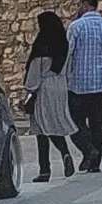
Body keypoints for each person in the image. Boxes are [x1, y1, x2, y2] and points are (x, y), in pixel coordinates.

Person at [65, 0, 102, 173]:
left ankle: (89, 150)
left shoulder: (76, 27)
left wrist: (64, 77)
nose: (77, 9)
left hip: (79, 83)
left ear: (87, 5)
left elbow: (68, 54)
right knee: (97, 123)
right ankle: (95, 160)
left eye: (79, 5)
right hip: (101, 83)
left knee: (73, 121)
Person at [22, 11, 76, 183]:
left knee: (41, 128)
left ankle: (45, 169)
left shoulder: (42, 46)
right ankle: (65, 152)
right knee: (53, 123)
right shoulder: (63, 44)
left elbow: (34, 76)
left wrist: (28, 92)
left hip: (44, 87)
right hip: (60, 86)